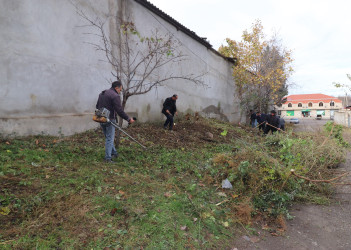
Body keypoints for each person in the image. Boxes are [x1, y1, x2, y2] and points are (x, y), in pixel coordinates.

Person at [96, 81, 134, 163]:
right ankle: (107, 158)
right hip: (110, 120)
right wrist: (128, 119)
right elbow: (119, 111)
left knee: (108, 137)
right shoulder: (115, 96)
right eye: (120, 89)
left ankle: (114, 153)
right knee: (110, 139)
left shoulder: (102, 93)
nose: (120, 91)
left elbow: (97, 106)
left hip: (100, 118)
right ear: (117, 88)